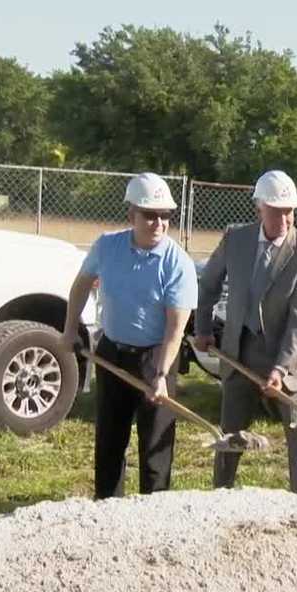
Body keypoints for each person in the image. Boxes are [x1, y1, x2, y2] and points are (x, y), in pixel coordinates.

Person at [61, 173, 197, 499]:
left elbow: (175, 328)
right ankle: (108, 510)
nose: (158, 223)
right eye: (150, 215)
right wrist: (69, 329)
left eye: (165, 216)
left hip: (156, 355)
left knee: (155, 448)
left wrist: (161, 375)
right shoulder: (107, 246)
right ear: (131, 214)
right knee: (109, 439)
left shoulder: (178, 263)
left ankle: (154, 511)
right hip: (111, 353)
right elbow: (81, 284)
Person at [193, 170, 297, 495]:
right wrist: (204, 327)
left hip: (287, 361)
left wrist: (280, 368)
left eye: (290, 210)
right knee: (230, 434)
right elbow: (208, 283)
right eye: (277, 210)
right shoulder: (236, 239)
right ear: (259, 207)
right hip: (239, 352)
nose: (285, 218)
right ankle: (221, 495)